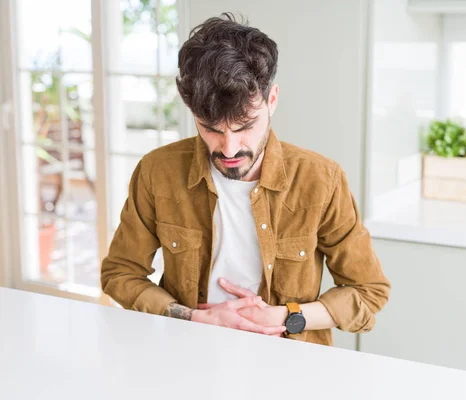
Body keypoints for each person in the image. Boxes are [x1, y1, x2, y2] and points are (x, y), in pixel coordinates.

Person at [101, 13, 390, 346]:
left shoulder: (321, 181)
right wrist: (194, 318)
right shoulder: (157, 172)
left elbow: (369, 292)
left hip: (290, 362)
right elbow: (119, 274)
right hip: (186, 355)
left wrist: (286, 317)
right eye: (210, 129)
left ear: (272, 100)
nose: (229, 148)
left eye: (244, 127)